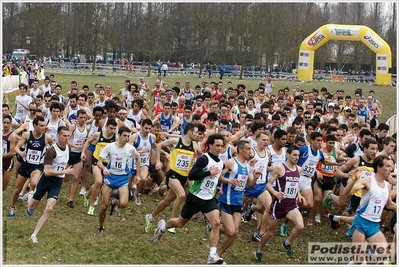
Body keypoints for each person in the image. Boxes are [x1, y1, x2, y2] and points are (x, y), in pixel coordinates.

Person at [154, 134, 225, 264]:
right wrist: (209, 172)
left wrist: (216, 188)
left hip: (209, 198)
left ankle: (212, 255)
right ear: (209, 145)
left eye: (221, 145)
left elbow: (212, 179)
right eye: (217, 145)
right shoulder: (204, 159)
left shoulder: (220, 162)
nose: (219, 148)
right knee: (180, 223)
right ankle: (163, 226)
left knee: (215, 222)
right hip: (195, 197)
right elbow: (192, 176)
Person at [145, 123, 198, 234]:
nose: (198, 135)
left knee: (167, 202)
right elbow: (159, 145)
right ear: (190, 132)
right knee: (182, 194)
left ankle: (150, 217)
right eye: (196, 132)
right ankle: (172, 222)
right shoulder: (176, 141)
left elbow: (197, 158)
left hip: (184, 176)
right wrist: (158, 161)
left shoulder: (194, 145)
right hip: (173, 174)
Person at [255, 146, 305, 262]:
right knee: (270, 233)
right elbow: (268, 184)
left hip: (291, 204)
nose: (297, 157)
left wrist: (299, 194)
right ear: (288, 154)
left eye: (298, 155)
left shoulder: (299, 169)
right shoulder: (279, 168)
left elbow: (295, 184)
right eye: (294, 155)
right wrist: (275, 193)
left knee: (300, 226)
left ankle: (287, 242)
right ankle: (259, 251)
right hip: (279, 205)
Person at [26, 126, 75, 243]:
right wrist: (64, 171)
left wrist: (65, 173)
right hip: (46, 180)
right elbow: (47, 172)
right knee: (31, 207)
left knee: (49, 209)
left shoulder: (69, 149)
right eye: (64, 136)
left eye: (68, 136)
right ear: (58, 136)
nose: (66, 138)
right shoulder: (51, 151)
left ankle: (34, 235)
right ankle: (30, 196)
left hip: (56, 183)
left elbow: (65, 163)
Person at [345, 155, 396, 264]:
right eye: (387, 166)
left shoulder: (386, 185)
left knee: (385, 257)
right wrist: (354, 179)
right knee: (358, 260)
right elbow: (347, 192)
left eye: (391, 167)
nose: (391, 169)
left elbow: (390, 204)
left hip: (374, 225)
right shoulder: (367, 181)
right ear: (379, 167)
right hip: (361, 222)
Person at [215, 140, 262, 256]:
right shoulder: (231, 163)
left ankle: (217, 255)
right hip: (226, 200)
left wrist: (255, 178)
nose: (251, 151)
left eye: (251, 149)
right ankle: (213, 226)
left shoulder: (247, 167)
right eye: (248, 149)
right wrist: (228, 180)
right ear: (241, 150)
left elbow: (250, 186)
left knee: (234, 233)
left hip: (238, 202)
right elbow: (218, 177)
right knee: (230, 232)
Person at [97, 126, 141, 232]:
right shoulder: (110, 147)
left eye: (128, 136)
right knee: (104, 206)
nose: (126, 138)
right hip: (110, 177)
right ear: (119, 135)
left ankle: (114, 201)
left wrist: (138, 174)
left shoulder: (130, 148)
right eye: (124, 136)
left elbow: (137, 158)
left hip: (123, 179)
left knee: (124, 204)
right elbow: (99, 161)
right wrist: (104, 169)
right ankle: (101, 226)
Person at [9, 116, 55, 217]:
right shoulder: (27, 135)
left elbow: (55, 147)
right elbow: (17, 147)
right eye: (41, 126)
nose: (43, 128)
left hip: (37, 166)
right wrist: (21, 153)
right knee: (17, 189)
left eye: (44, 125)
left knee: (34, 183)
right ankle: (12, 206)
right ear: (34, 125)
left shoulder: (47, 138)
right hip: (26, 165)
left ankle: (29, 198)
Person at [81, 118, 117, 215]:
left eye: (114, 129)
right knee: (98, 181)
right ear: (105, 127)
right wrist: (83, 152)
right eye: (111, 128)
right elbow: (88, 142)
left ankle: (87, 195)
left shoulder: (116, 138)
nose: (112, 131)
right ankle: (92, 206)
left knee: (100, 184)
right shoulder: (98, 135)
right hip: (97, 161)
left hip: (108, 164)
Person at [3, 115, 16, 191]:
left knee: (3, 187)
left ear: (11, 123)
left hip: (8, 162)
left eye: (8, 123)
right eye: (4, 122)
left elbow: (11, 153)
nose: (5, 125)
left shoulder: (12, 136)